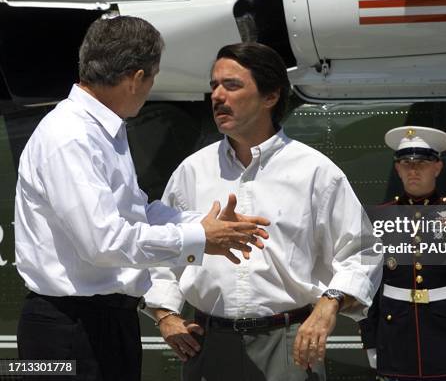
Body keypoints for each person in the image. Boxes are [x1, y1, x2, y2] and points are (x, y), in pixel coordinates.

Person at [14, 16, 269, 381]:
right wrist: (199, 238)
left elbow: (136, 213)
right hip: (67, 329)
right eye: (152, 78)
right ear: (136, 78)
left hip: (96, 323)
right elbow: (103, 242)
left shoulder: (101, 131)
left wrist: (202, 226)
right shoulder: (71, 136)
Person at [144, 42, 381, 381]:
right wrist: (166, 316)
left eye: (232, 85)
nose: (217, 96)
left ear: (270, 96)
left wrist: (329, 305)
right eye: (214, 86)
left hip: (288, 346)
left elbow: (363, 250)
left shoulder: (315, 171)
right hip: (208, 347)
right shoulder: (191, 171)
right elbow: (161, 250)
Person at [359, 125, 446, 381]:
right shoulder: (377, 218)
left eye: (422, 164)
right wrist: (370, 339)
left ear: (438, 167)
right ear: (397, 169)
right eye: (406, 163)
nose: (413, 170)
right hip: (394, 340)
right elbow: (365, 283)